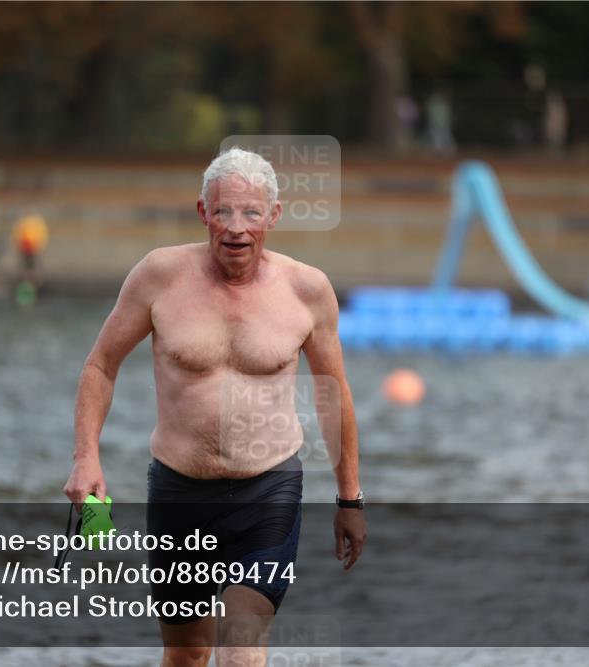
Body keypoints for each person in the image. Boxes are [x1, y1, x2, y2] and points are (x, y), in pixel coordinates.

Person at [63, 147, 365, 666]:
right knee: (186, 654)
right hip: (180, 493)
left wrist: (350, 500)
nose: (236, 228)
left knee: (241, 645)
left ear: (274, 215)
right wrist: (86, 456)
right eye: (223, 211)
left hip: (268, 490)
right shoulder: (159, 276)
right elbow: (100, 366)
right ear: (204, 212)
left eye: (251, 213)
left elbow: (332, 394)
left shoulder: (307, 290)